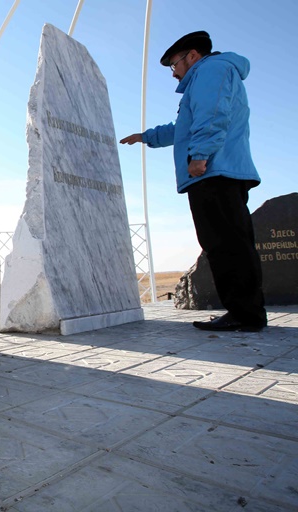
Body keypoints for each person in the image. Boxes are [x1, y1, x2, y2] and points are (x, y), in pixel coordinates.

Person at [120, 31, 267, 332]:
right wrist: (146, 137)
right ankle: (245, 311)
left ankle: (244, 314)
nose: (173, 72)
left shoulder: (211, 70)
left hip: (214, 173)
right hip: (222, 171)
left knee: (225, 244)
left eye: (173, 64)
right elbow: (183, 127)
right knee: (230, 242)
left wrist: (199, 155)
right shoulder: (211, 74)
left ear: (193, 56)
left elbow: (212, 115)